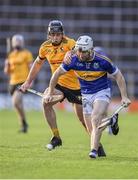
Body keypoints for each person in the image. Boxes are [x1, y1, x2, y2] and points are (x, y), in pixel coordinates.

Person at [19, 20, 106, 156]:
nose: (55, 37)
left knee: (84, 121)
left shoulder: (70, 43)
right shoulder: (44, 47)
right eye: (52, 34)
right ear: (48, 35)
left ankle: (97, 146)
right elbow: (37, 64)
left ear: (62, 34)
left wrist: (71, 52)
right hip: (59, 85)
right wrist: (28, 82)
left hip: (78, 87)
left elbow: (80, 50)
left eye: (57, 34)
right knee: (46, 102)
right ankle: (56, 137)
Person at [44, 35, 131, 158]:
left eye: (83, 51)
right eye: (78, 50)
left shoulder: (102, 61)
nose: (80, 54)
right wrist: (50, 92)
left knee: (95, 119)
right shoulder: (74, 60)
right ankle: (111, 121)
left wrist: (124, 96)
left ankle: (93, 151)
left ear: (90, 50)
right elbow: (56, 74)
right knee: (91, 129)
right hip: (85, 94)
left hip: (101, 92)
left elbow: (119, 76)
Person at [4, 34, 33, 133]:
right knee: (18, 105)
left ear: (22, 43)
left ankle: (24, 123)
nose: (17, 43)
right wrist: (7, 64)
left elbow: (31, 68)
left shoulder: (26, 54)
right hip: (12, 82)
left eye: (19, 41)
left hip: (22, 82)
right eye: (15, 42)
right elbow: (7, 72)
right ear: (12, 43)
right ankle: (24, 124)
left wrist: (30, 81)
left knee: (16, 102)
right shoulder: (10, 55)